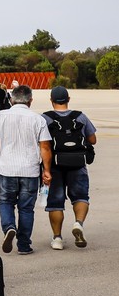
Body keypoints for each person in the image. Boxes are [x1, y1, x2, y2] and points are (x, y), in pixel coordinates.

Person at [0, 85, 52, 255]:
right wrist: (47, 170)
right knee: (26, 209)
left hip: (7, 169)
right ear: (30, 100)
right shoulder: (38, 119)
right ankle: (24, 245)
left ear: (11, 99)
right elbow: (45, 147)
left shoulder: (2, 116)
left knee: (6, 202)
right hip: (30, 170)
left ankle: (9, 227)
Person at [42, 86, 98, 251]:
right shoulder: (80, 117)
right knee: (81, 196)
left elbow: (42, 144)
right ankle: (78, 224)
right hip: (78, 164)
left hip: (54, 165)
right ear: (68, 99)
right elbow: (92, 139)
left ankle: (57, 238)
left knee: (55, 203)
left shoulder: (45, 118)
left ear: (51, 100)